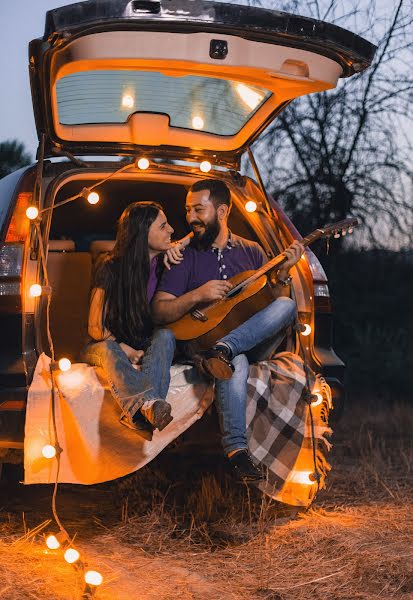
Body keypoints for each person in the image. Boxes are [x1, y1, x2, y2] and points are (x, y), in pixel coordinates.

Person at [152, 180, 304, 480]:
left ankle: (226, 347)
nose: (190, 217)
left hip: (249, 339)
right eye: (187, 210)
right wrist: (197, 295)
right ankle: (237, 451)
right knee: (236, 362)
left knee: (286, 305)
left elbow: (270, 307)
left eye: (199, 209)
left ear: (222, 211)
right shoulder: (185, 257)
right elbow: (159, 310)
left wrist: (283, 276)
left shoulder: (252, 251)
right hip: (206, 346)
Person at [84, 201, 177, 442]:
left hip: (143, 343)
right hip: (105, 343)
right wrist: (122, 347)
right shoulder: (110, 267)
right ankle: (145, 405)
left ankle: (141, 411)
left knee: (166, 336)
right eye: (163, 226)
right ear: (143, 232)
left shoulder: (167, 267)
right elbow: (95, 327)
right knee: (108, 349)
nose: (171, 230)